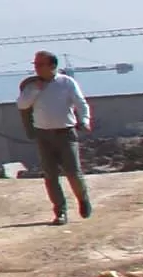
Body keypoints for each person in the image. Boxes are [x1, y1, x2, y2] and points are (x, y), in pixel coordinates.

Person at [15, 50, 95, 223]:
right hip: (43, 135)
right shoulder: (31, 86)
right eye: (35, 65)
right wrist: (36, 90)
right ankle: (60, 211)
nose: (37, 68)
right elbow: (22, 104)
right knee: (50, 175)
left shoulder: (66, 83)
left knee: (73, 172)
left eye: (40, 64)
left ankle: (83, 199)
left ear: (52, 66)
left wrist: (85, 120)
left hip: (65, 133)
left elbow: (80, 104)